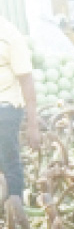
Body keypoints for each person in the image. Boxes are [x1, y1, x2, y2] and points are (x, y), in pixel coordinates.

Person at [0, 16, 40, 202]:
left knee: (9, 162)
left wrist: (33, 125)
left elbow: (26, 80)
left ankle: (16, 210)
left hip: (6, 109)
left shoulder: (10, 36)